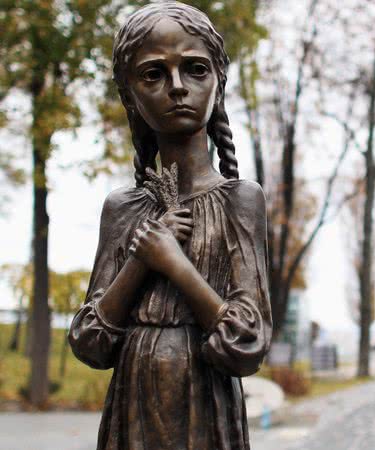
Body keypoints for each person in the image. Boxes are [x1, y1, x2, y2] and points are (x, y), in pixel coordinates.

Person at [68, 3, 272, 449]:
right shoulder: (122, 207)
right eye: (154, 74)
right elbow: (91, 343)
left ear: (218, 84)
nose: (177, 87)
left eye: (195, 69)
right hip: (133, 402)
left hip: (206, 404)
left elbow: (248, 343)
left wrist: (174, 264)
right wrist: (140, 262)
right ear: (129, 97)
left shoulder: (241, 200)